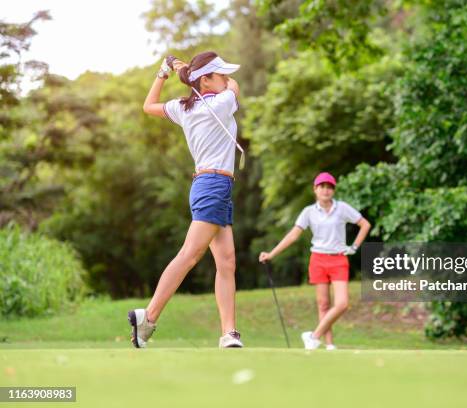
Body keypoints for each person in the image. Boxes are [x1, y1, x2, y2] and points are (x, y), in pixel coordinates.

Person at [128, 51, 244, 348]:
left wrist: (165, 72)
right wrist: (188, 71)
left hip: (210, 185)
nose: (226, 78)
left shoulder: (182, 107)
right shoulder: (222, 101)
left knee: (226, 262)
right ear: (206, 80)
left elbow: (148, 106)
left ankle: (228, 332)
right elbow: (234, 85)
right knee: (190, 255)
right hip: (214, 184)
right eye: (218, 74)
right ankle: (149, 317)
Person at [259, 172, 371, 350]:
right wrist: (272, 254)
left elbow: (364, 224)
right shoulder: (309, 212)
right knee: (323, 304)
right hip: (318, 259)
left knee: (342, 303)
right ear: (315, 190)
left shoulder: (341, 208)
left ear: (333, 190)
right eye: (322, 187)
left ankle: (313, 336)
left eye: (329, 187)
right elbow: (293, 236)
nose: (326, 190)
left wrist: (354, 247)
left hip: (338, 260)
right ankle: (329, 345)